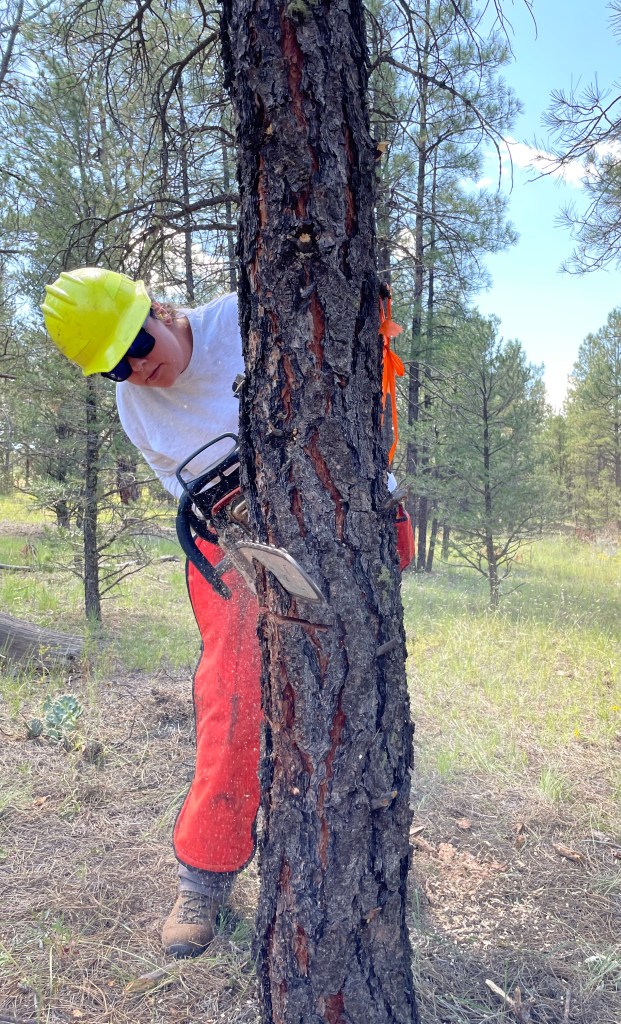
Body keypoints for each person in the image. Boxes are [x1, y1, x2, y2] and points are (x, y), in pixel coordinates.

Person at [41, 266, 413, 959]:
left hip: (328, 510)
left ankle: (364, 847)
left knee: (353, 664)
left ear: (157, 308)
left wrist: (378, 499)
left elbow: (353, 401)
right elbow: (188, 493)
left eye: (138, 346)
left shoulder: (249, 319)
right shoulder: (136, 408)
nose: (138, 369)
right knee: (235, 687)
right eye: (114, 369)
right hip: (229, 535)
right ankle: (204, 876)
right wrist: (239, 539)